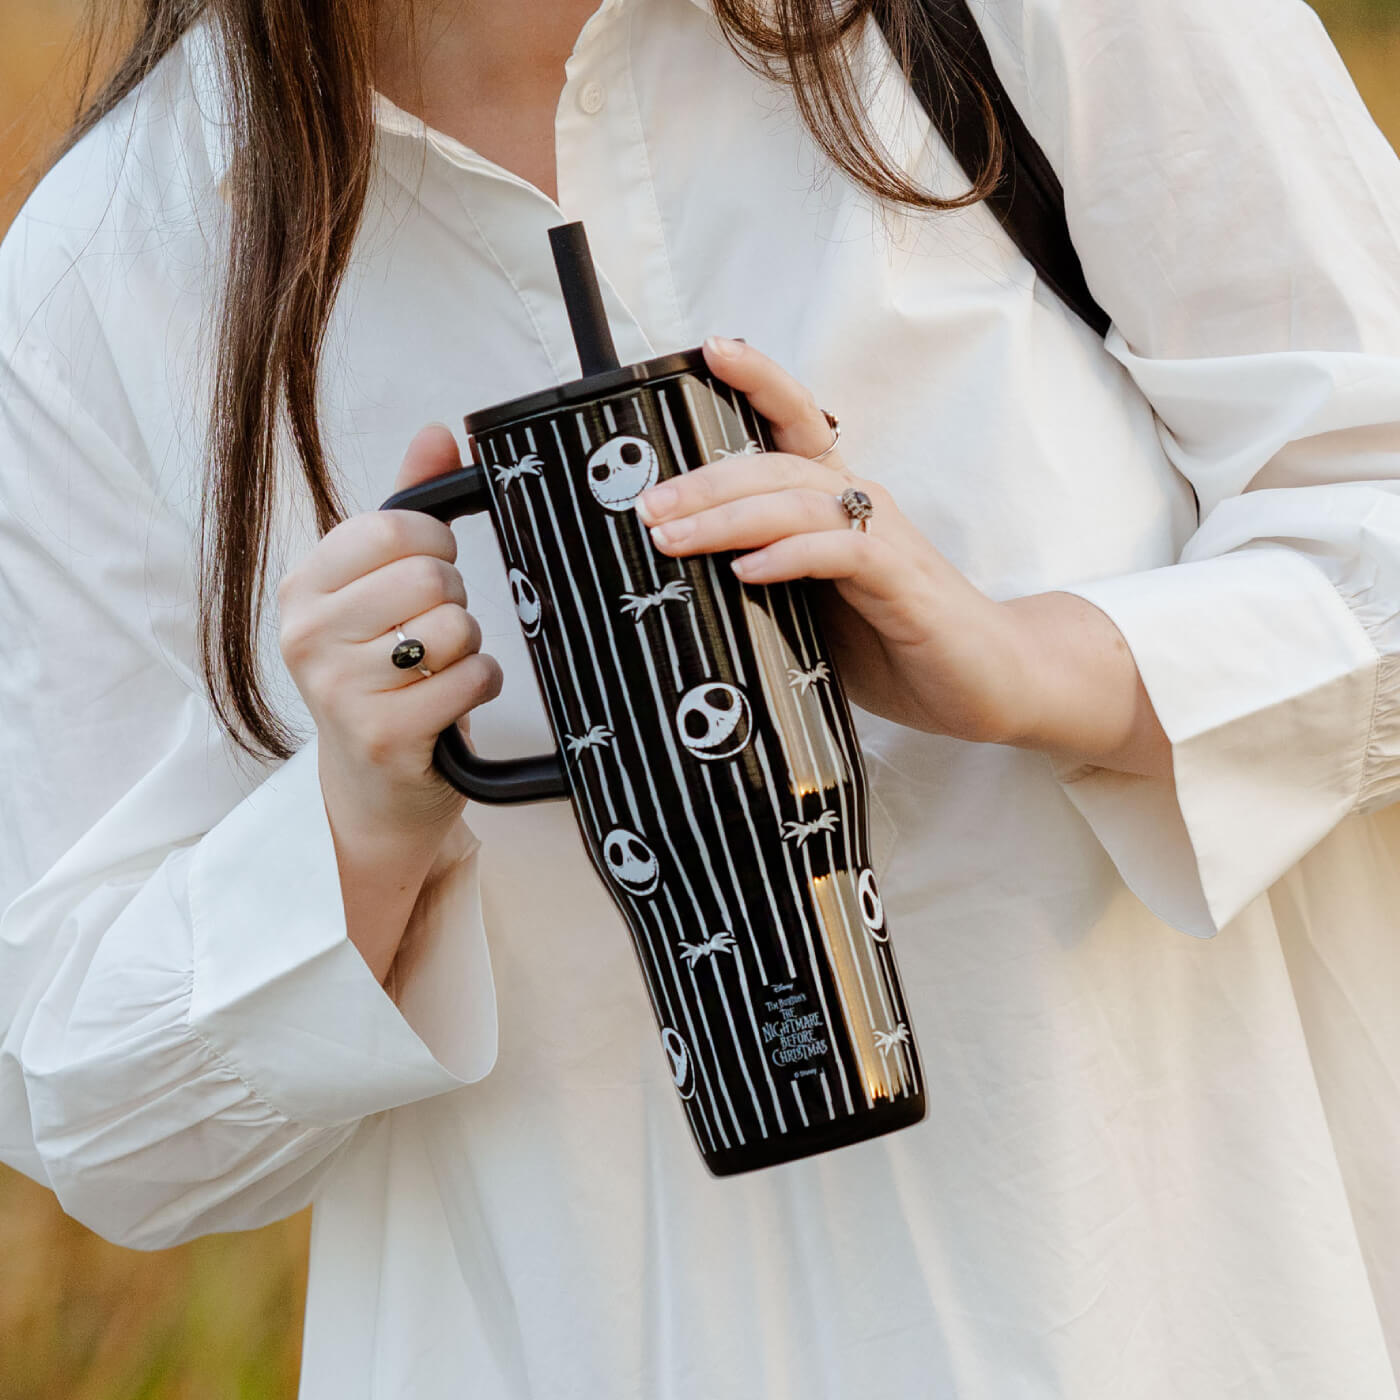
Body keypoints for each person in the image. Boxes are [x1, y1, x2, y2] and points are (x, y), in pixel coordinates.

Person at [2, 0, 1398, 1394]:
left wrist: (1038, 662)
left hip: (1165, 1299)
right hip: (578, 1341)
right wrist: (352, 830)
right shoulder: (107, 265)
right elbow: (92, 1116)